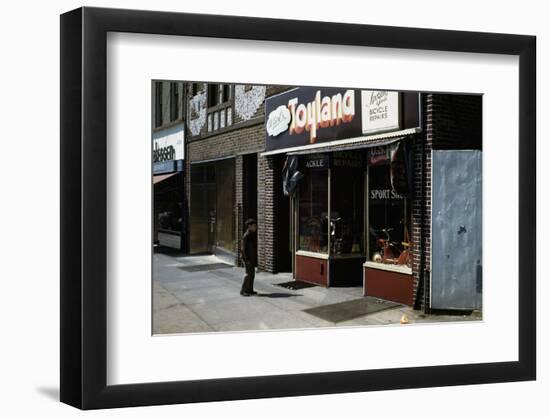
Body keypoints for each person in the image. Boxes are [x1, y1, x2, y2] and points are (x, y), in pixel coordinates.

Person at [240, 218, 258, 296]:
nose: (255, 227)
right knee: (247, 274)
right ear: (249, 226)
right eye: (254, 226)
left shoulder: (252, 235)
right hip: (247, 258)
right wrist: (246, 259)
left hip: (251, 258)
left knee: (252, 274)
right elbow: (243, 249)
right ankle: (243, 290)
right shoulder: (246, 236)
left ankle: (250, 290)